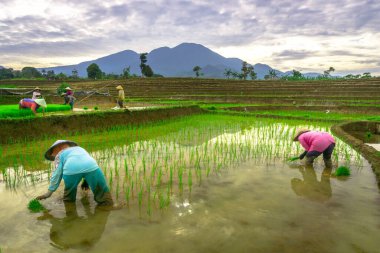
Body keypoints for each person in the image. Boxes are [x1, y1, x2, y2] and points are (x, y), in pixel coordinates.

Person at [37, 140, 113, 206]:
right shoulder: (80, 149)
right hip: (91, 166)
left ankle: (70, 213)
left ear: (59, 148)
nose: (53, 155)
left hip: (71, 169)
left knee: (69, 197)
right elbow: (84, 162)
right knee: (103, 193)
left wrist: (48, 193)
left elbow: (57, 174)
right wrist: (86, 182)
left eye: (53, 152)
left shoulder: (59, 155)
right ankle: (106, 206)